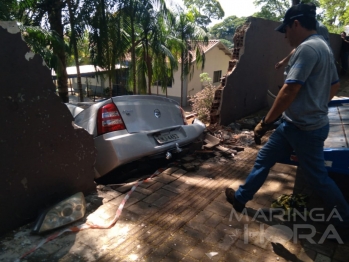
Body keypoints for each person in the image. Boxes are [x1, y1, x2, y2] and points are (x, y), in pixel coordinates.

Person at [225, 3, 349, 239]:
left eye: (286, 30)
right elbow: (334, 84)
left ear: (296, 24)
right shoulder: (323, 46)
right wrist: (317, 103)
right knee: (264, 159)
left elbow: (289, 91)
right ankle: (241, 199)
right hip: (291, 124)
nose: (285, 36)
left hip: (306, 129)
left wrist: (266, 122)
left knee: (318, 179)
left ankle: (345, 218)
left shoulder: (308, 49)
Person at [275, 2, 330, 70]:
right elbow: (298, 47)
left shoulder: (320, 28)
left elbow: (325, 49)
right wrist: (283, 61)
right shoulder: (304, 29)